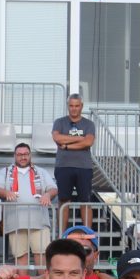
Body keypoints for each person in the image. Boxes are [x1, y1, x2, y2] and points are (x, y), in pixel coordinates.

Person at [0, 143, 57, 269]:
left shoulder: (41, 172)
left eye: (26, 154)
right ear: (14, 156)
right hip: (15, 223)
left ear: (30, 155)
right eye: (20, 154)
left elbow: (53, 188)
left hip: (39, 223)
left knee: (42, 260)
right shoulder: (4, 172)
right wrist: (6, 192)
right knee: (20, 261)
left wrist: (48, 195)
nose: (23, 157)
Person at [51, 94, 97, 231]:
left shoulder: (89, 124)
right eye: (71, 105)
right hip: (63, 166)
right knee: (64, 201)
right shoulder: (59, 122)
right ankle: (62, 234)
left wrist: (67, 145)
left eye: (77, 106)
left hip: (84, 167)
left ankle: (88, 234)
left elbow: (88, 142)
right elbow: (57, 137)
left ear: (81, 106)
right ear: (68, 106)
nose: (74, 109)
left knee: (86, 201)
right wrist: (79, 139)